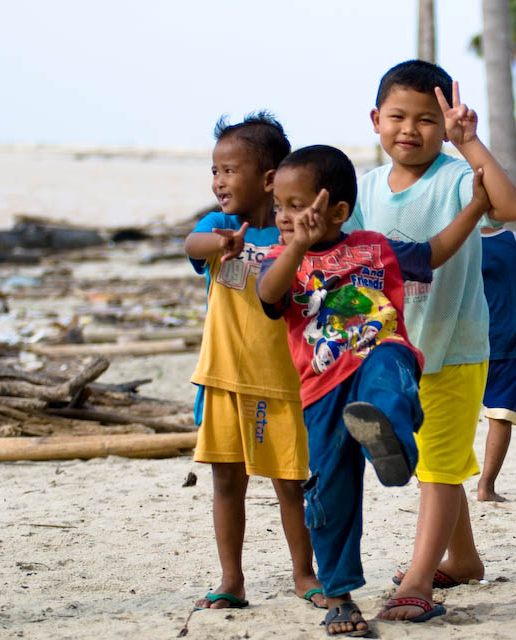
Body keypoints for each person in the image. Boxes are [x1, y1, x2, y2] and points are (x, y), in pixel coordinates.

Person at [256, 144, 492, 636]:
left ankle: (393, 446)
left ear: (338, 211)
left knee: (390, 364)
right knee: (329, 494)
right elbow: (269, 293)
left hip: (377, 354)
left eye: (298, 207)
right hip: (322, 390)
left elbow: (432, 253)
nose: (285, 217)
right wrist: (298, 245)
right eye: (279, 206)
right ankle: (339, 597)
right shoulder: (281, 257)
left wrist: (474, 207)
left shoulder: (374, 245)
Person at [344, 58, 516, 622]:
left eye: (428, 118)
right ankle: (464, 558)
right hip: (391, 355)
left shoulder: (453, 177)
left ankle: (419, 580)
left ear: (445, 124)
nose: (410, 128)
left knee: (441, 469)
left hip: (455, 347)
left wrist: (470, 144)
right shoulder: (367, 189)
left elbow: (511, 208)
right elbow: (346, 267)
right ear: (375, 119)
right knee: (435, 463)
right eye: (398, 115)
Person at [184, 112, 324, 611]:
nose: (219, 180)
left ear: (269, 179)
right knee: (226, 481)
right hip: (223, 379)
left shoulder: (291, 240)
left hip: (283, 383)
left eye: (229, 169)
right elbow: (191, 244)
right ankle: (231, 578)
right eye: (214, 170)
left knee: (290, 482)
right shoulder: (218, 227)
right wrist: (222, 243)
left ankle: (305, 574)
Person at [476, 227, 516, 502]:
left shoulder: (454, 240)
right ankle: (486, 487)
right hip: (511, 343)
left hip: (465, 342)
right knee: (500, 416)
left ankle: (428, 478)